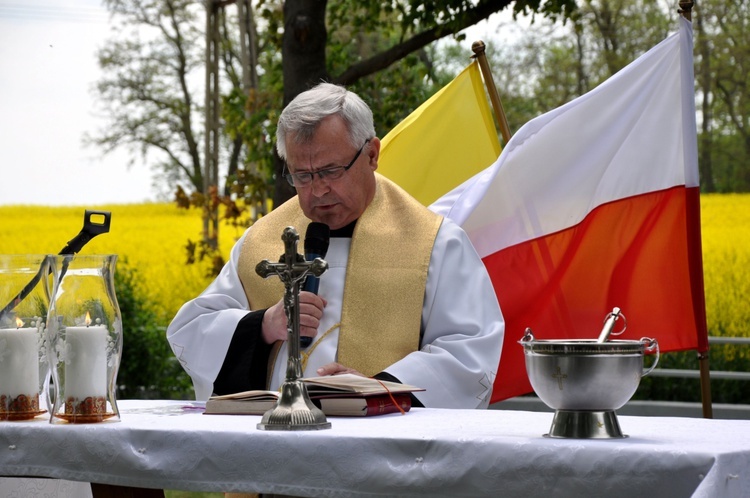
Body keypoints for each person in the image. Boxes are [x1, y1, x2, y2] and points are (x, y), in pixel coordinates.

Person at [167, 82, 504, 409]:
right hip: (274, 445)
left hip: (383, 451)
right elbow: (192, 329)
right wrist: (263, 326)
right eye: (302, 175)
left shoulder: (436, 243)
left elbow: (469, 351)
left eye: (330, 171)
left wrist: (380, 388)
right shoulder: (263, 242)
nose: (318, 191)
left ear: (371, 154)